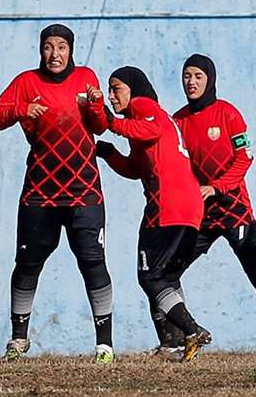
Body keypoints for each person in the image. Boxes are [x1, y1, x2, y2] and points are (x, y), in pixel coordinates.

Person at [154, 54, 256, 354]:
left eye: (198, 76)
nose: (191, 82)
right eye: (187, 76)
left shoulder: (228, 114)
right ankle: (178, 341)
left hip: (236, 213)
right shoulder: (178, 120)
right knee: (163, 275)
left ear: (210, 79)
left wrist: (217, 186)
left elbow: (244, 157)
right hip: (200, 216)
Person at [0, 24, 115, 364]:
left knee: (93, 263)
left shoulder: (86, 77)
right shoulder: (27, 82)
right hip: (40, 194)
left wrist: (97, 105)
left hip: (84, 192)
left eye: (61, 47)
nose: (54, 54)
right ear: (40, 50)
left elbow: (100, 126)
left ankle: (104, 347)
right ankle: (18, 340)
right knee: (28, 264)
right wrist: (20, 110)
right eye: (48, 47)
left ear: (71, 50)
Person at [96, 66, 211, 362]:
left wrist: (109, 123)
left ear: (133, 88)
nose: (111, 96)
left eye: (116, 88)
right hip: (189, 208)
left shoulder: (143, 107)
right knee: (166, 277)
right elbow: (136, 168)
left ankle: (190, 329)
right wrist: (109, 154)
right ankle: (173, 347)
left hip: (167, 207)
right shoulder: (142, 120)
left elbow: (151, 129)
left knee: (149, 277)